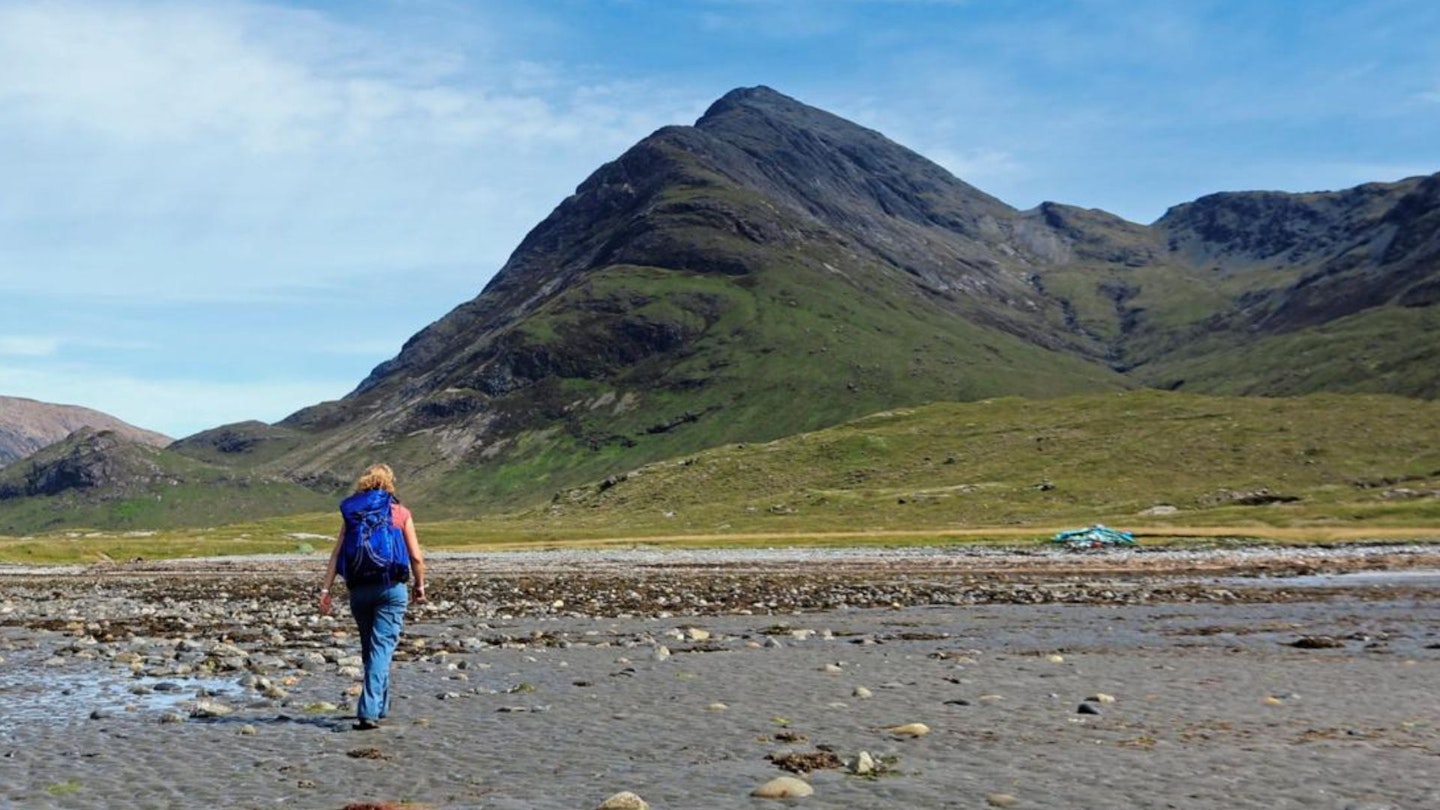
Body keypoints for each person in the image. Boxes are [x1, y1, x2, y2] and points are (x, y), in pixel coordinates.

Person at [319, 463, 427, 730]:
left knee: (373, 650)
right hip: (391, 589)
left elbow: (336, 554)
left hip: (358, 591)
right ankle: (367, 711)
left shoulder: (353, 514)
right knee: (381, 649)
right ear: (390, 483)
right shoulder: (400, 512)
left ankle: (380, 707)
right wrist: (420, 586)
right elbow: (415, 556)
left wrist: (325, 590)